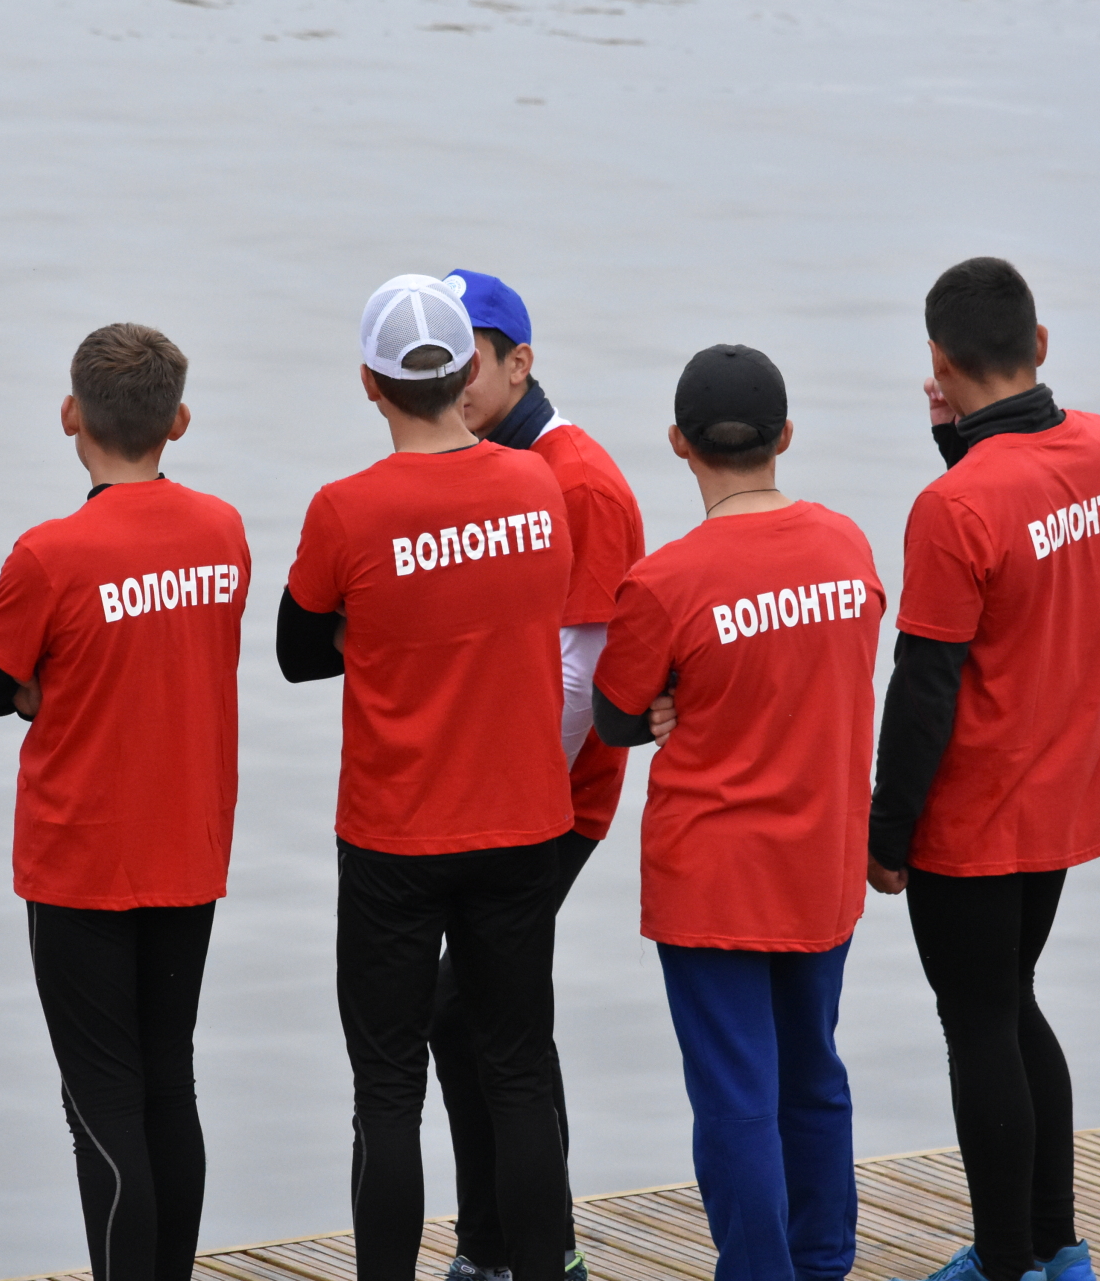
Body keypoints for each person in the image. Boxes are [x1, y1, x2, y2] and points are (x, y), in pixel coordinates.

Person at [276, 274, 574, 1281]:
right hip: (524, 822)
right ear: (467, 371)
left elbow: (296, 650)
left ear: (370, 383)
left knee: (389, 1091)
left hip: (395, 834)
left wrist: (375, 628)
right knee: (519, 1072)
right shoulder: (537, 487)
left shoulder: (346, 510)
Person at [0, 324, 249, 1281]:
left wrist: (34, 690)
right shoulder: (223, 531)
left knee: (103, 1104)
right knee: (169, 1081)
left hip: (82, 862)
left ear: (70, 415)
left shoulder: (50, 555)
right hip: (189, 846)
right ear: (179, 421)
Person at [591, 344, 884, 1281]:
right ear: (784, 436)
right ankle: (823, 1259)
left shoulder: (665, 580)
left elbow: (614, 713)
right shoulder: (847, 548)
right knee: (813, 1072)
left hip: (712, 875)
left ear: (679, 443)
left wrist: (667, 701)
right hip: (821, 859)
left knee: (736, 1098)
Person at [868, 258, 1100, 1281]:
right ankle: (1057, 1247)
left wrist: (888, 833)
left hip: (973, 813)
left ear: (939, 363)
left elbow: (925, 687)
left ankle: (1005, 1259)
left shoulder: (955, 508)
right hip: (1061, 791)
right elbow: (1019, 533)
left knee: (978, 1023)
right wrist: (959, 438)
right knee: (1014, 1002)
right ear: (1041, 344)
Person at [427, 268, 647, 1281]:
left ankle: (533, 1251)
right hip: (490, 793)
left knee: (484, 1012)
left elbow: (583, 676)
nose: (451, 381)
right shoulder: (479, 461)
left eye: (468, 361)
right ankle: (501, 1246)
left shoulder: (578, 481)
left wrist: (509, 799)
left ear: (520, 362)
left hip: (554, 798)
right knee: (478, 1010)